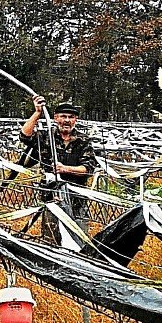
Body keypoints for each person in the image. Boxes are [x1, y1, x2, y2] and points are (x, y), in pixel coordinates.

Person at [18, 95, 97, 242]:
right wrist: (37, 112)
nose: (67, 120)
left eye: (71, 117)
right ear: (55, 118)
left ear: (75, 120)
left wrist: (65, 169)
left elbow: (88, 168)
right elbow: (24, 136)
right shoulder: (46, 137)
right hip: (52, 196)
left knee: (79, 237)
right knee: (52, 237)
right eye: (63, 116)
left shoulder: (84, 141)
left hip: (77, 198)